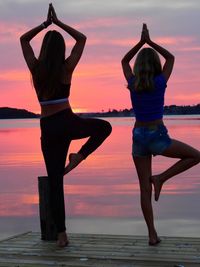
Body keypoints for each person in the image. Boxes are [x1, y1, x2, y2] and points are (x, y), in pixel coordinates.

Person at [20, 3, 112, 247]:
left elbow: (23, 40)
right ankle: (79, 157)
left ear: (44, 49)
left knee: (55, 181)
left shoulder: (36, 69)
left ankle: (61, 235)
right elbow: (81, 40)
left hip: (48, 127)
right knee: (105, 128)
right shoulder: (66, 68)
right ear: (61, 50)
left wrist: (44, 25)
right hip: (68, 122)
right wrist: (58, 23)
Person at [121, 23, 200, 246]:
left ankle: (152, 235)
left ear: (138, 67)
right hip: (157, 136)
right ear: (156, 65)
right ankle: (161, 178)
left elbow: (124, 62)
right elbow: (171, 58)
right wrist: (150, 41)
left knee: (143, 189)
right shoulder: (160, 82)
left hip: (138, 136)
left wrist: (139, 43)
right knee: (196, 156)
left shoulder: (133, 83)